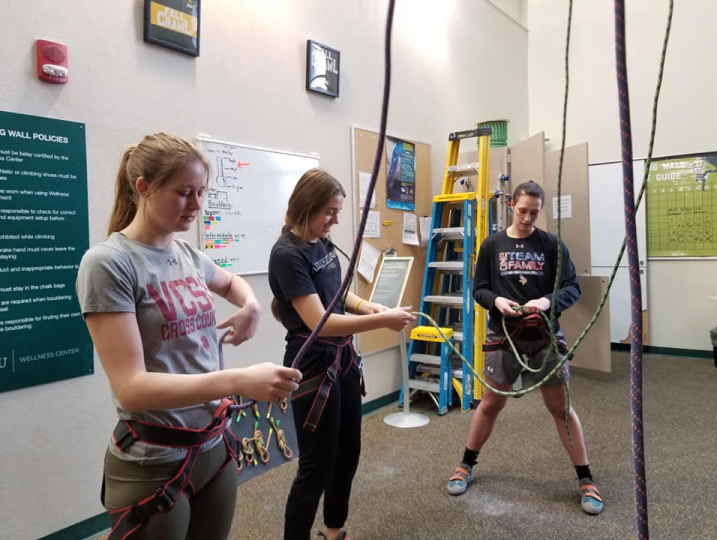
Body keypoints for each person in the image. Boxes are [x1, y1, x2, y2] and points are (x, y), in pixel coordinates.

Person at [76, 133, 302, 540]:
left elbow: (232, 282)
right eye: (183, 193)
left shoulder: (189, 256)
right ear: (144, 187)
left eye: (201, 192)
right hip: (154, 460)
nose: (196, 205)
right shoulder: (109, 264)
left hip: (212, 448)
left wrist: (249, 304)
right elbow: (132, 388)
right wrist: (238, 381)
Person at [268, 169, 416, 540]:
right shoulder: (287, 254)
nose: (335, 220)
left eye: (338, 211)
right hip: (312, 366)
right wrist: (382, 322)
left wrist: (368, 306)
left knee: (347, 454)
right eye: (330, 212)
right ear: (307, 206)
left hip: (343, 360)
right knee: (316, 467)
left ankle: (334, 532)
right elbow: (318, 321)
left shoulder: (322, 243)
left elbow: (337, 294)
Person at [446, 181, 604, 515]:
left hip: (545, 338)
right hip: (504, 337)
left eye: (534, 212)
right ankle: (465, 464)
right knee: (489, 406)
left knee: (561, 409)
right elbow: (480, 289)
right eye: (522, 211)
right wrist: (496, 300)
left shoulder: (551, 245)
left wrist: (547, 300)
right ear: (511, 206)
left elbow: (571, 288)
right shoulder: (492, 245)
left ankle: (586, 478)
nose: (528, 218)